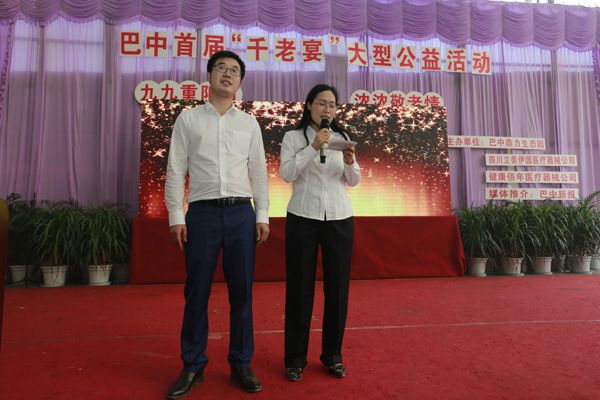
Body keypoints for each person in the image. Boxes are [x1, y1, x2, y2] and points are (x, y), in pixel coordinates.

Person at [164, 50, 269, 399]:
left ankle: (241, 362)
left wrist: (262, 214)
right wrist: (176, 216)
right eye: (221, 68)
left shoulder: (249, 123)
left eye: (234, 71)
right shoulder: (189, 120)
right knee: (196, 292)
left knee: (242, 292)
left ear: (240, 82)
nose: (227, 74)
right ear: (209, 76)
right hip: (202, 215)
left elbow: (258, 172)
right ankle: (193, 364)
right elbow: (176, 169)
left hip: (241, 213)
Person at [279, 84, 361, 382]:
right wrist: (313, 146)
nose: (327, 109)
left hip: (339, 218)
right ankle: (295, 358)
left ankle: (332, 355)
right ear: (309, 105)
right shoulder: (293, 137)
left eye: (332, 104)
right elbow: (287, 174)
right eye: (322, 103)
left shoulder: (343, 136)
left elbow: (354, 180)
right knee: (300, 288)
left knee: (337, 289)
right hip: (303, 216)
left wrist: (350, 163)